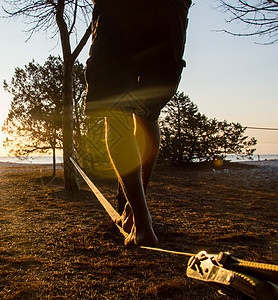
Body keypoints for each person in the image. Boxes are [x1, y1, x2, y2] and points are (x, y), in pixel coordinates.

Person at [85, 0, 191, 247]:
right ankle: (137, 213)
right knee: (147, 114)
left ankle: (142, 223)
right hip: (170, 11)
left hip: (117, 10)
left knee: (118, 112)